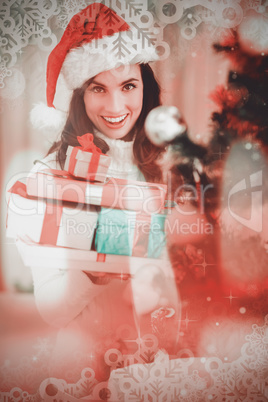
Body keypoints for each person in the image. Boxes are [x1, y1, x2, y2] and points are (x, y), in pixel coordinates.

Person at [29, 3, 180, 385]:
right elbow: (51, 310)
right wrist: (93, 273)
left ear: (146, 87)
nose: (115, 107)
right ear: (80, 94)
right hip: (83, 369)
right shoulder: (49, 176)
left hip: (158, 365)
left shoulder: (165, 167)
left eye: (128, 86)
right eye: (98, 88)